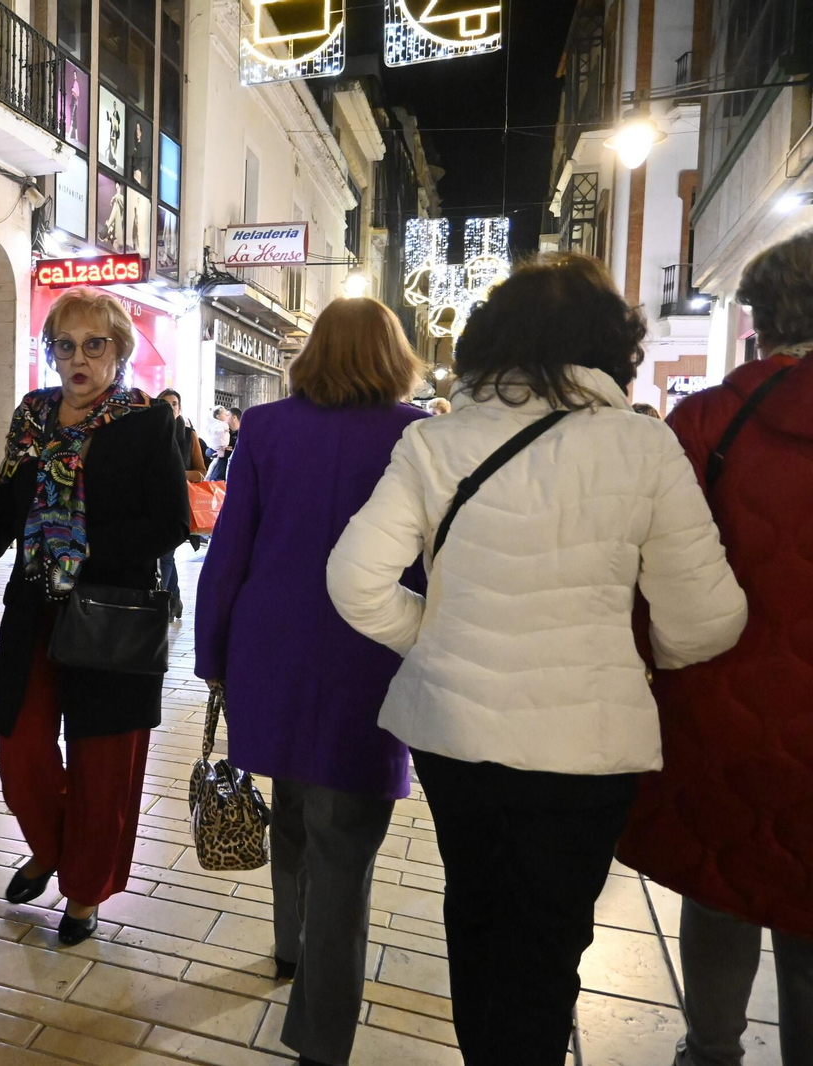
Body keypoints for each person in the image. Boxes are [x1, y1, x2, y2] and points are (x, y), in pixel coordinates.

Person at [325, 253, 748, 1066]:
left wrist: (434, 635)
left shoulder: (435, 442)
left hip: (453, 730)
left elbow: (354, 580)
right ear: (611, 347)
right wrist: (637, 655)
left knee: (474, 907)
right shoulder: (644, 450)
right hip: (583, 749)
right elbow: (707, 619)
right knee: (547, 942)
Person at [196, 298, 428, 1066]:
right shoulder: (416, 434)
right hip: (371, 656)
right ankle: (322, 1037)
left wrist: (213, 653)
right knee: (345, 845)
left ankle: (290, 945)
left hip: (274, 650)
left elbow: (230, 549)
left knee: (293, 802)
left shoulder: (265, 429)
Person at [618, 229, 813, 1066]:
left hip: (722, 706)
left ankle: (710, 1051)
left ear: (759, 318)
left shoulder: (704, 421)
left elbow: (644, 574)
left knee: (723, 883)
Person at [0, 287, 189, 947]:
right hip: (35, 606)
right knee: (22, 746)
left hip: (111, 613)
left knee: (102, 764)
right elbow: (6, 505)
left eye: (95, 344)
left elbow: (171, 523)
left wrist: (87, 551)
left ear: (119, 351)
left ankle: (85, 892)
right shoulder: (35, 416)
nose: (79, 358)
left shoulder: (147, 423)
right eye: (66, 345)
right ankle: (48, 847)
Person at [155, 388, 205, 620]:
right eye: (165, 404)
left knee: (165, 555)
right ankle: (174, 598)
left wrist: (179, 474)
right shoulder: (150, 431)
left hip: (179, 503)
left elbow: (201, 472)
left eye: (174, 404)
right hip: (153, 502)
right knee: (165, 555)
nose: (171, 408)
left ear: (180, 407)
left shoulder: (188, 434)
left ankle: (159, 604)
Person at [206, 406, 231, 480]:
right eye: (224, 414)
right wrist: (223, 430)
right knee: (214, 463)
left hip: (223, 448)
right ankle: (208, 476)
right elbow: (215, 432)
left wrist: (225, 451)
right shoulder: (216, 424)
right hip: (217, 447)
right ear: (218, 416)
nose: (226, 416)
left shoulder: (224, 424)